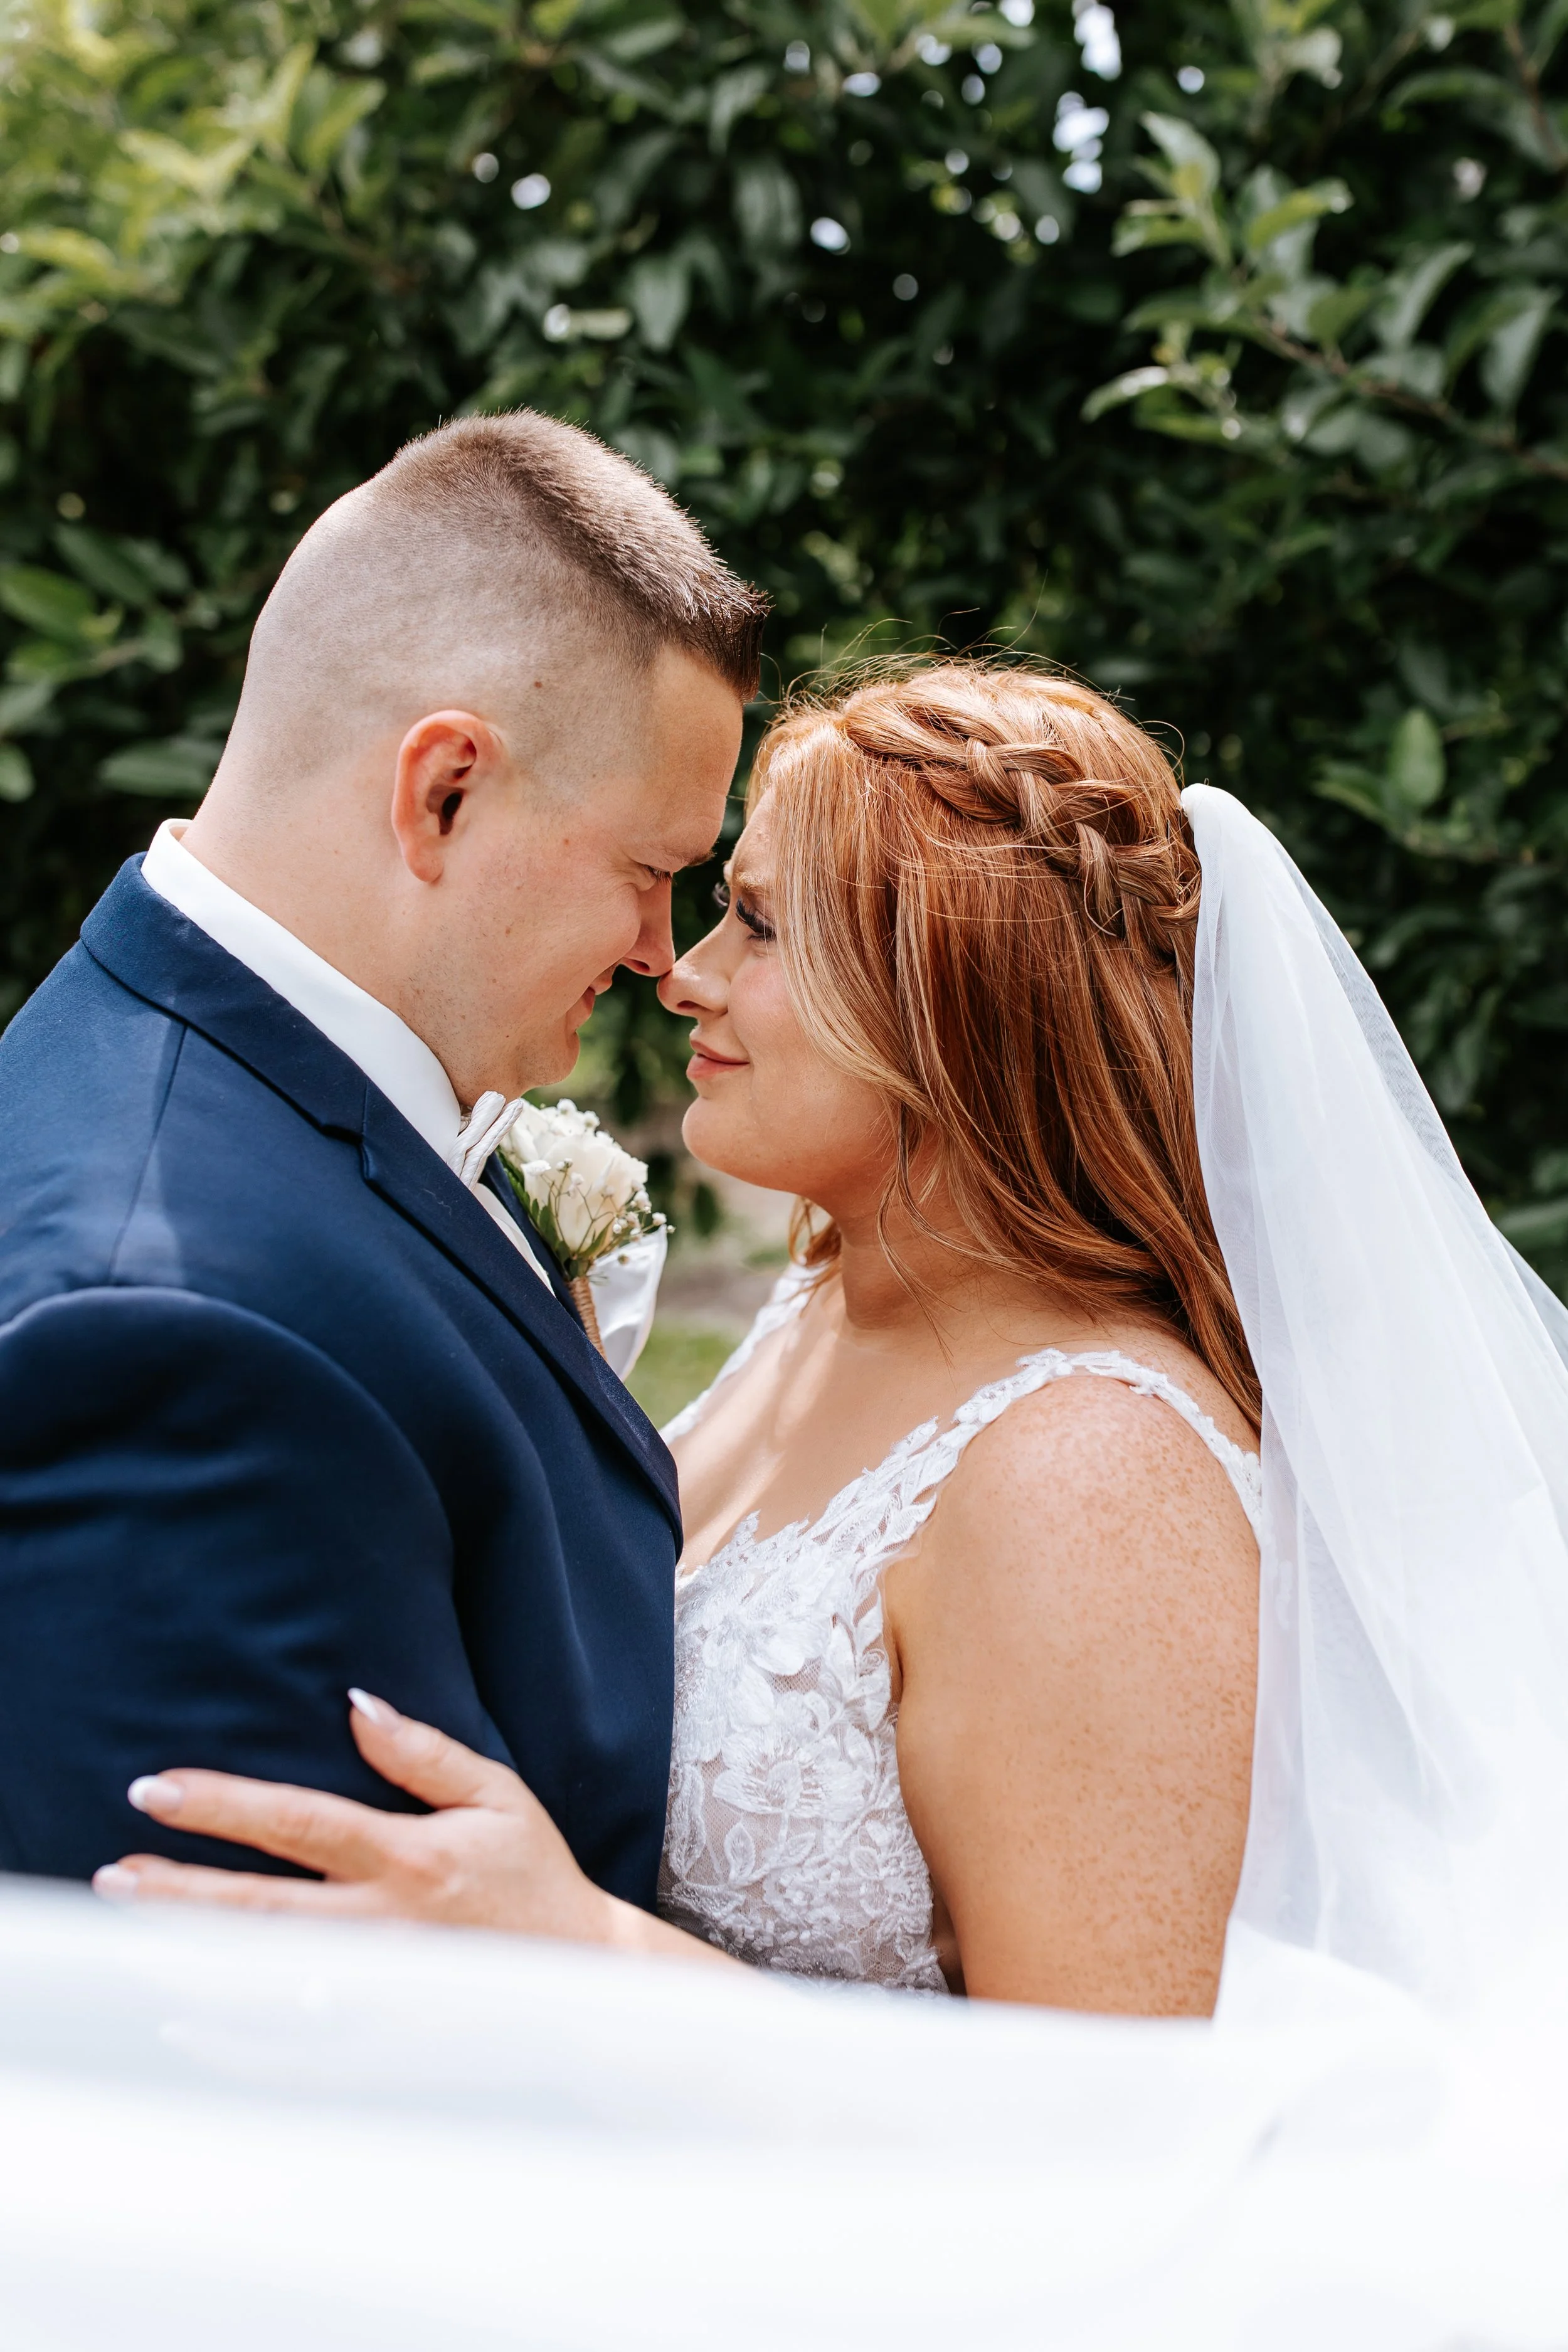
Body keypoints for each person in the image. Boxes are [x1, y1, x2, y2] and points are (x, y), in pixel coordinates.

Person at [95, 662, 1568, 2025]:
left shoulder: (1094, 1481)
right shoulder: (824, 1293)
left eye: (761, 924)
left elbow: (1114, 2144)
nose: (684, 974)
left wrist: (587, 1959)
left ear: (949, 999)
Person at [0, 409, 762, 1907]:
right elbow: (287, 2079)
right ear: (444, 792)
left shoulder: (175, 1070)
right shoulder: (173, 1334)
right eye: (648, 872)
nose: (660, 955)